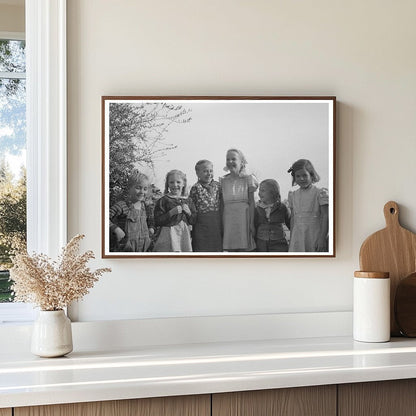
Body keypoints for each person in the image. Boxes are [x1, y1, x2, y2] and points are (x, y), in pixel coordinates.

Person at [287, 159, 329, 252]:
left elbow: (325, 216)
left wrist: (322, 238)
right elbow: (293, 218)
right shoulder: (293, 195)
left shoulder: (320, 193)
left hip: (314, 234)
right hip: (298, 236)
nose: (301, 179)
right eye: (298, 176)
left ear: (311, 175)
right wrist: (291, 239)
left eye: (304, 175)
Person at [220, 148, 258, 252]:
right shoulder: (223, 181)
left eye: (233, 159)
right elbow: (222, 205)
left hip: (243, 218)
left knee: (244, 249)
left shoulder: (248, 179)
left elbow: (251, 202)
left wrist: (251, 223)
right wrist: (222, 224)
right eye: (228, 159)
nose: (230, 162)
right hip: (228, 220)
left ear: (241, 162)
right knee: (231, 250)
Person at [109, 170, 154, 252]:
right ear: (129, 188)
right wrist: (116, 229)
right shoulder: (122, 205)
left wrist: (151, 228)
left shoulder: (146, 207)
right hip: (127, 249)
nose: (142, 192)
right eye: (138, 188)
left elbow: (150, 220)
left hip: (144, 248)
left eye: (145, 189)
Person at [153, 169, 195, 252]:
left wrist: (189, 213)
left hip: (184, 235)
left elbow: (194, 220)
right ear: (167, 184)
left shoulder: (188, 200)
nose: (175, 185)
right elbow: (157, 220)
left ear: (183, 184)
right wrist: (171, 213)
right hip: (168, 235)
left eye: (178, 182)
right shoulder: (163, 200)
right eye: (171, 182)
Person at [189, 160, 222, 252]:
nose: (209, 174)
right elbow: (192, 207)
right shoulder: (196, 188)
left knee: (216, 249)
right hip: (201, 224)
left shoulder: (218, 186)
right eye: (205, 171)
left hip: (216, 223)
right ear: (197, 173)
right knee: (201, 248)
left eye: (211, 171)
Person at [255, 179, 290, 252]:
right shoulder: (257, 208)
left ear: (272, 193)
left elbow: (290, 223)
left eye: (263, 190)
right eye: (259, 190)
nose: (259, 193)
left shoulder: (282, 207)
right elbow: (254, 225)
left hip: (279, 242)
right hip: (261, 242)